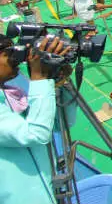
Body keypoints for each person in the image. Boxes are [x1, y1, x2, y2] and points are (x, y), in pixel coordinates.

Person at [1, 36, 69, 204]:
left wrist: (59, 82)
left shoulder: (12, 93)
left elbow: (59, 124)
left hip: (48, 192)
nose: (16, 58)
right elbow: (35, 133)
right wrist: (40, 80)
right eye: (8, 53)